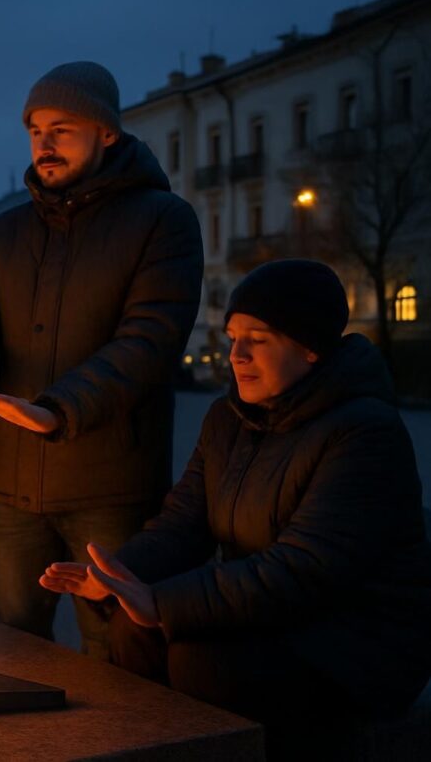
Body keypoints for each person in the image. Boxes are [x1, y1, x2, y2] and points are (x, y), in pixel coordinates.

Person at [41, 260, 431, 746]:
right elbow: (185, 522)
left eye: (259, 339)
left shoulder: (363, 432)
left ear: (310, 348)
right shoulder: (229, 419)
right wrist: (120, 575)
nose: (237, 355)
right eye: (232, 337)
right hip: (273, 617)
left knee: (199, 659)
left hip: (355, 640)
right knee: (132, 630)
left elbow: (305, 569)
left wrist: (163, 601)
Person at [0, 61, 203, 658]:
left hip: (111, 485)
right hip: (13, 485)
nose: (44, 144)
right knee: (17, 639)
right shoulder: (6, 232)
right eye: (35, 130)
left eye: (62, 128)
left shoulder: (163, 221)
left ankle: (125, 749)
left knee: (116, 641)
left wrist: (59, 408)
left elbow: (149, 340)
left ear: (107, 134)